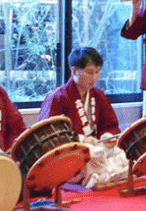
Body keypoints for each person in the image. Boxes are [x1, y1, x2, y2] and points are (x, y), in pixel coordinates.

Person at [39, 47, 128, 188]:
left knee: (122, 154)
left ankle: (100, 176)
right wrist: (82, 140)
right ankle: (98, 176)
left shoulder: (99, 96)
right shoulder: (57, 97)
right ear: (74, 71)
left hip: (96, 149)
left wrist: (108, 135)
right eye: (89, 72)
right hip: (70, 153)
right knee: (94, 154)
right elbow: (48, 135)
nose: (94, 78)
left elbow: (111, 125)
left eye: (97, 72)